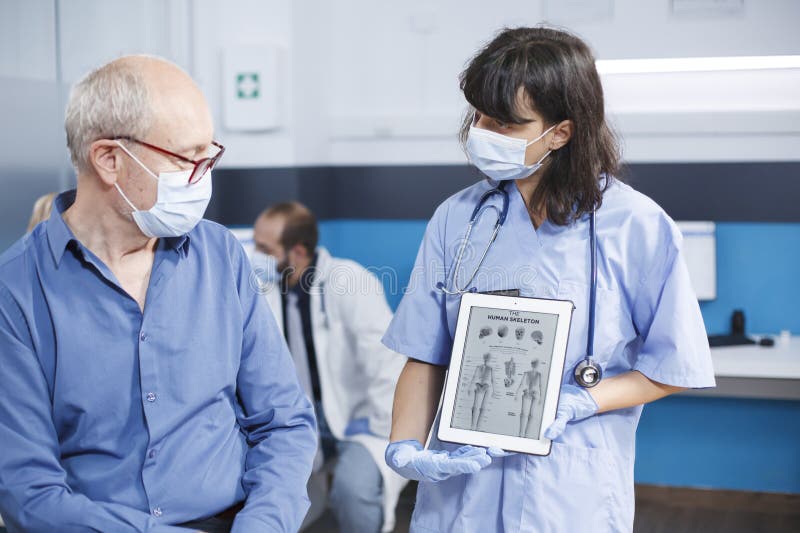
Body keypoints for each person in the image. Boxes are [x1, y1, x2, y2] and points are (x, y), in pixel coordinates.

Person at [382, 27, 715, 532]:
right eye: (478, 115)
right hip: (462, 487)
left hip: (569, 488)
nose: (481, 131)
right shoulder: (457, 219)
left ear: (560, 131)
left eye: (503, 123)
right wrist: (405, 445)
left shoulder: (637, 227)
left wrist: (581, 400)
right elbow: (425, 353)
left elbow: (670, 367)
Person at [0, 55, 317, 533]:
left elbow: (284, 422)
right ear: (109, 160)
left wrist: (263, 525)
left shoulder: (220, 257)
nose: (203, 175)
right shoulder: (16, 291)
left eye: (208, 154)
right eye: (185, 158)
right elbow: (29, 492)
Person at [251, 202, 407, 533]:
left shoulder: (348, 281)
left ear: (296, 251)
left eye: (264, 248)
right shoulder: (261, 292)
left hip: (360, 423)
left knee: (353, 491)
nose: (254, 254)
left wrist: (381, 427)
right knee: (267, 503)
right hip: (297, 427)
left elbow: (387, 364)